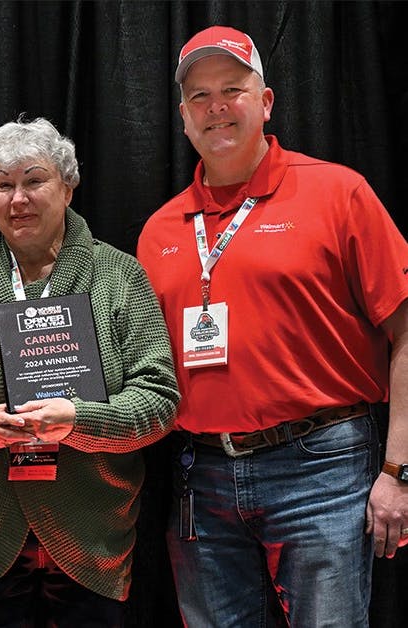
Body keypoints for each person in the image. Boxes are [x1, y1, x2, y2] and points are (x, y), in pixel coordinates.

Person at [137, 25, 408, 626]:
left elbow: (405, 332)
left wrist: (399, 470)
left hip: (323, 467)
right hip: (198, 475)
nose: (216, 108)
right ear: (183, 118)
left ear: (265, 101)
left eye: (232, 89)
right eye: (199, 97)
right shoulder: (159, 231)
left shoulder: (338, 193)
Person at [0, 117, 180, 626]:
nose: (18, 198)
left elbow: (159, 400)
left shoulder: (118, 274)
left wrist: (80, 419)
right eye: (3, 185)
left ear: (68, 186)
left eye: (34, 180)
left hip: (93, 535)